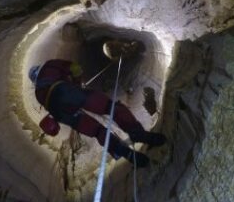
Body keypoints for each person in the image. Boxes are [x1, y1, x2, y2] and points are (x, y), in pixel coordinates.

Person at [29, 59, 166, 167]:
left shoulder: (37, 93)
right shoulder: (49, 66)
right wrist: (77, 86)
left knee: (97, 131)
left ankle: (123, 151)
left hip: (62, 114)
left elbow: (54, 106)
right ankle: (137, 132)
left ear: (34, 80)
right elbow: (75, 68)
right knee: (111, 107)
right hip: (67, 93)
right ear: (39, 68)